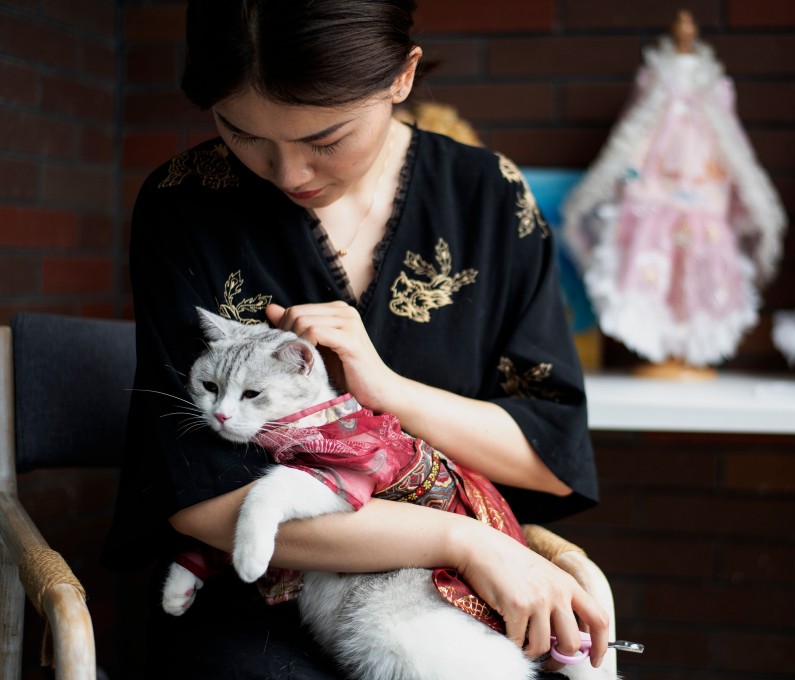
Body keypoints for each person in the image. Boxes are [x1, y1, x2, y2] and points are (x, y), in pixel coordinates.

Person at [101, 1, 607, 677]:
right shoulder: (184, 203)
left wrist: (389, 390)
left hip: (458, 606)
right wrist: (462, 541)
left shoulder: (487, 196)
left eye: (325, 139)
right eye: (241, 133)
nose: (286, 174)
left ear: (402, 77)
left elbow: (550, 453)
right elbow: (198, 497)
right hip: (255, 605)